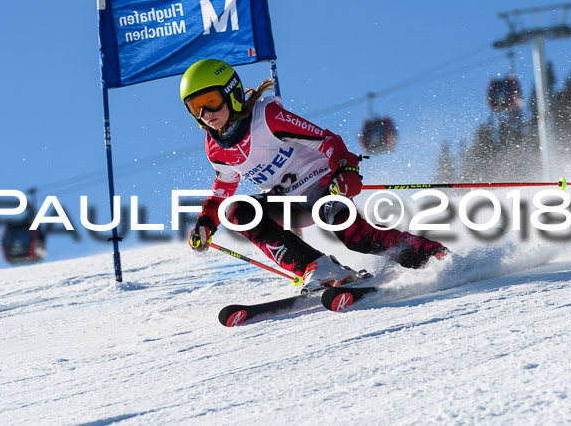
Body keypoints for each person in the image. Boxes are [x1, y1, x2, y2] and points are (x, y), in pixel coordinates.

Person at [181, 58, 448, 289]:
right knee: (237, 211)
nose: (206, 114)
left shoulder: (268, 116)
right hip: (287, 204)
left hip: (323, 188)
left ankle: (435, 255)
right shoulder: (216, 147)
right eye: (196, 108)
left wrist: (346, 168)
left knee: (357, 239)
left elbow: (327, 140)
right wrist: (206, 222)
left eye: (212, 102)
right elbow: (222, 188)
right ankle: (318, 268)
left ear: (232, 93)